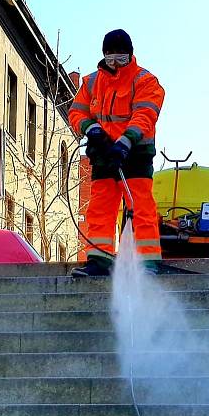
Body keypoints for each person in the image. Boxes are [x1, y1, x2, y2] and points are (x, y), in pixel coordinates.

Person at [68, 29, 165, 277]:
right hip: (103, 151)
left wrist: (125, 141)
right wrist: (93, 129)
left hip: (135, 153)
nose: (115, 64)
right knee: (100, 206)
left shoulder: (145, 81)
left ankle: (147, 263)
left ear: (130, 56)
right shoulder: (91, 83)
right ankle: (99, 260)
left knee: (140, 205)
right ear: (103, 56)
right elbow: (76, 113)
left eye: (121, 58)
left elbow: (145, 115)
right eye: (110, 58)